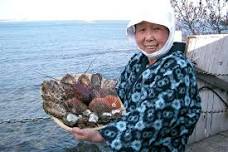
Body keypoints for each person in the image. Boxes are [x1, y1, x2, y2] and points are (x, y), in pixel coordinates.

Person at [71, 1, 202, 151]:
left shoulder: (178, 68)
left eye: (156, 29)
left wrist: (102, 135)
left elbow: (155, 116)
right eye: (142, 30)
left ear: (169, 30)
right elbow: (118, 96)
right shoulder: (137, 60)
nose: (148, 37)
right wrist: (90, 106)